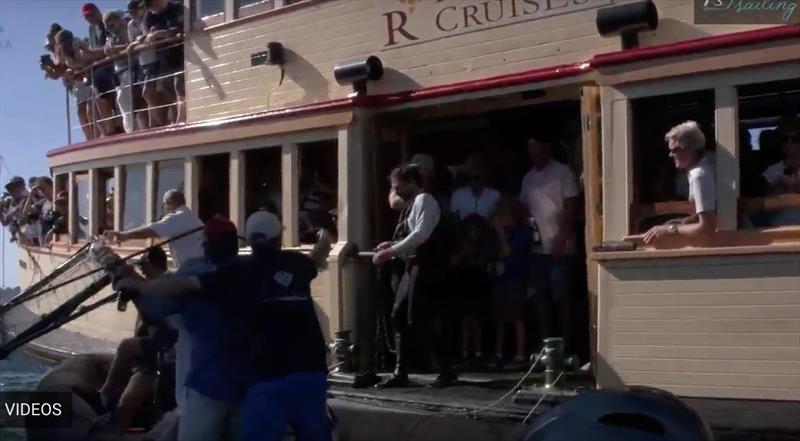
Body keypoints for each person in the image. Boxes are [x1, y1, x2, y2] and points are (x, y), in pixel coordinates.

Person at [105, 216, 240, 441]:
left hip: (205, 385)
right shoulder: (251, 272)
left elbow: (155, 311)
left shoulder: (194, 274)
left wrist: (133, 287)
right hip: (246, 384)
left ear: (206, 245)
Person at [373, 165, 457, 389]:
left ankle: (446, 368)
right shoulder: (412, 205)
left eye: (397, 185)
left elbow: (421, 234)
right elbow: (412, 235)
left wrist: (390, 252)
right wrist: (393, 245)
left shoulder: (424, 200)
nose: (395, 190)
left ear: (411, 182)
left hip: (427, 265)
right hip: (414, 264)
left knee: (418, 318)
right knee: (399, 315)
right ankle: (401, 371)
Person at [100, 246, 174, 430]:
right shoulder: (146, 285)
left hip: (162, 357)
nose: (141, 268)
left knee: (126, 347)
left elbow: (157, 320)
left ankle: (105, 392)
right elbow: (133, 276)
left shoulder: (166, 285)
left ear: (150, 263)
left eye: (143, 264)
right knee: (125, 405)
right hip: (147, 360)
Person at [520, 134, 579, 353]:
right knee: (540, 300)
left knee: (562, 299)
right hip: (537, 249)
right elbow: (524, 207)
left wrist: (562, 238)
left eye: (536, 148)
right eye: (530, 150)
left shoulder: (562, 172)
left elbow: (572, 206)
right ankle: (546, 346)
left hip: (561, 248)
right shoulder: (528, 178)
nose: (533, 153)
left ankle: (565, 348)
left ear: (547, 147)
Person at [644, 121, 717, 244]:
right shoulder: (706, 165)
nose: (670, 155)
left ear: (690, 149)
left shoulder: (699, 175)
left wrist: (669, 229)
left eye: (674, 150)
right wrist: (684, 222)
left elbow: (707, 227)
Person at [104, 189, 203, 268]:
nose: (163, 208)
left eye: (163, 205)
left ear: (168, 203)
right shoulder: (189, 216)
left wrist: (123, 235)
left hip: (192, 268)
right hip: (197, 265)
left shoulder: (178, 217)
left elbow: (150, 231)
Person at [490, 198, 532, 366]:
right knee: (499, 316)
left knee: (516, 316)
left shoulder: (521, 232)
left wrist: (501, 234)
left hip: (514, 277)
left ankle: (520, 353)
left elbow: (507, 252)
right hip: (500, 277)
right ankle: (499, 352)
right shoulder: (500, 233)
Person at [80, 2, 122, 136]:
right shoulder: (91, 30)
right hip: (99, 70)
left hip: (112, 66)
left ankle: (118, 126)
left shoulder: (106, 24)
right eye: (86, 17)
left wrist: (91, 53)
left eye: (90, 15)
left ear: (97, 12)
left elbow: (108, 48)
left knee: (115, 98)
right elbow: (95, 50)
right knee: (99, 98)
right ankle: (109, 128)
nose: (89, 18)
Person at [143, 0, 185, 124]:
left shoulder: (176, 8)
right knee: (169, 92)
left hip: (181, 55)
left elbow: (178, 29)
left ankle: (180, 122)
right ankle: (175, 121)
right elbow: (147, 35)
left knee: (179, 87)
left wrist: (158, 34)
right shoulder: (149, 16)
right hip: (163, 58)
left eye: (149, 3)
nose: (149, 7)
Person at [761, 120, 800, 226]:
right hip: (778, 226)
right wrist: (778, 183)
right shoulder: (771, 171)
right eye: (784, 139)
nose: (789, 143)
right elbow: (761, 204)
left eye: (795, 139)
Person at [103, 11, 136, 133]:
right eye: (108, 28)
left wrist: (113, 50)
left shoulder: (127, 29)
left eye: (112, 26)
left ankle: (131, 129)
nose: (111, 30)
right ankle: (129, 128)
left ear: (118, 20)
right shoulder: (112, 36)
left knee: (124, 100)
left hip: (129, 67)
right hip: (119, 71)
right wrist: (108, 50)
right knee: (121, 102)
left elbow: (131, 45)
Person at [127, 0, 154, 129]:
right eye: (131, 12)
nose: (133, 14)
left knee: (148, 92)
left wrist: (136, 42)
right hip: (141, 62)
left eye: (135, 10)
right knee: (143, 95)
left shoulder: (148, 17)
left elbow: (146, 36)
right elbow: (132, 42)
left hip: (153, 58)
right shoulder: (131, 25)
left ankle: (154, 122)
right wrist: (137, 41)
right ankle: (149, 124)